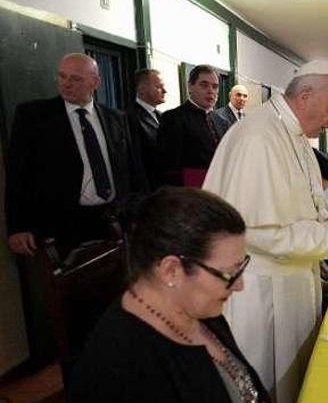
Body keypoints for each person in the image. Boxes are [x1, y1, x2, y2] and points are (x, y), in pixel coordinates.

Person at [66, 187, 311, 403]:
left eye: (241, 268)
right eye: (229, 273)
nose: (239, 285)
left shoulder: (196, 310)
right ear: (171, 270)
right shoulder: (120, 375)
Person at [203, 60, 328, 403]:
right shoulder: (259, 136)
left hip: (292, 281)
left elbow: (301, 204)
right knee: (272, 397)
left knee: (299, 391)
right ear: (304, 96)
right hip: (262, 293)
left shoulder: (296, 135)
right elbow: (256, 231)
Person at [6, 53, 145, 255]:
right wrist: (17, 227)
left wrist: (139, 214)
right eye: (62, 76)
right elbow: (17, 174)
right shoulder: (34, 117)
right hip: (60, 226)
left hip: (113, 222)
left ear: (95, 82)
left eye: (75, 79)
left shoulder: (116, 118)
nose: (66, 84)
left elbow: (134, 170)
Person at [157, 64, 221, 186]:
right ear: (190, 86)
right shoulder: (173, 117)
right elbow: (170, 168)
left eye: (215, 87)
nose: (210, 91)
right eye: (204, 85)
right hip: (191, 192)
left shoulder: (219, 118)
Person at [127, 68, 167, 190]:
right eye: (159, 87)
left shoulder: (162, 116)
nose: (165, 91)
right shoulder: (129, 117)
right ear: (142, 89)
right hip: (147, 188)